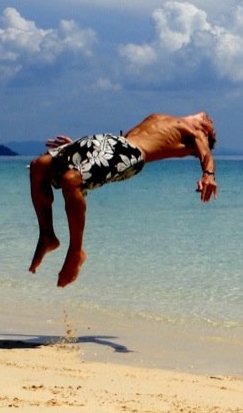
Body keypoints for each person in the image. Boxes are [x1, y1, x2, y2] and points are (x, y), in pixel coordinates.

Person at [28, 111, 218, 287]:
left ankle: (76, 251)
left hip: (131, 153)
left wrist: (208, 174)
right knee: (39, 166)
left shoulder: (196, 133)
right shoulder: (167, 118)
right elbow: (114, 148)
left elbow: (206, 155)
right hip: (107, 142)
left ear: (206, 132)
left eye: (212, 127)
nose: (211, 121)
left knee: (71, 181)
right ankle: (47, 236)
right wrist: (79, 153)